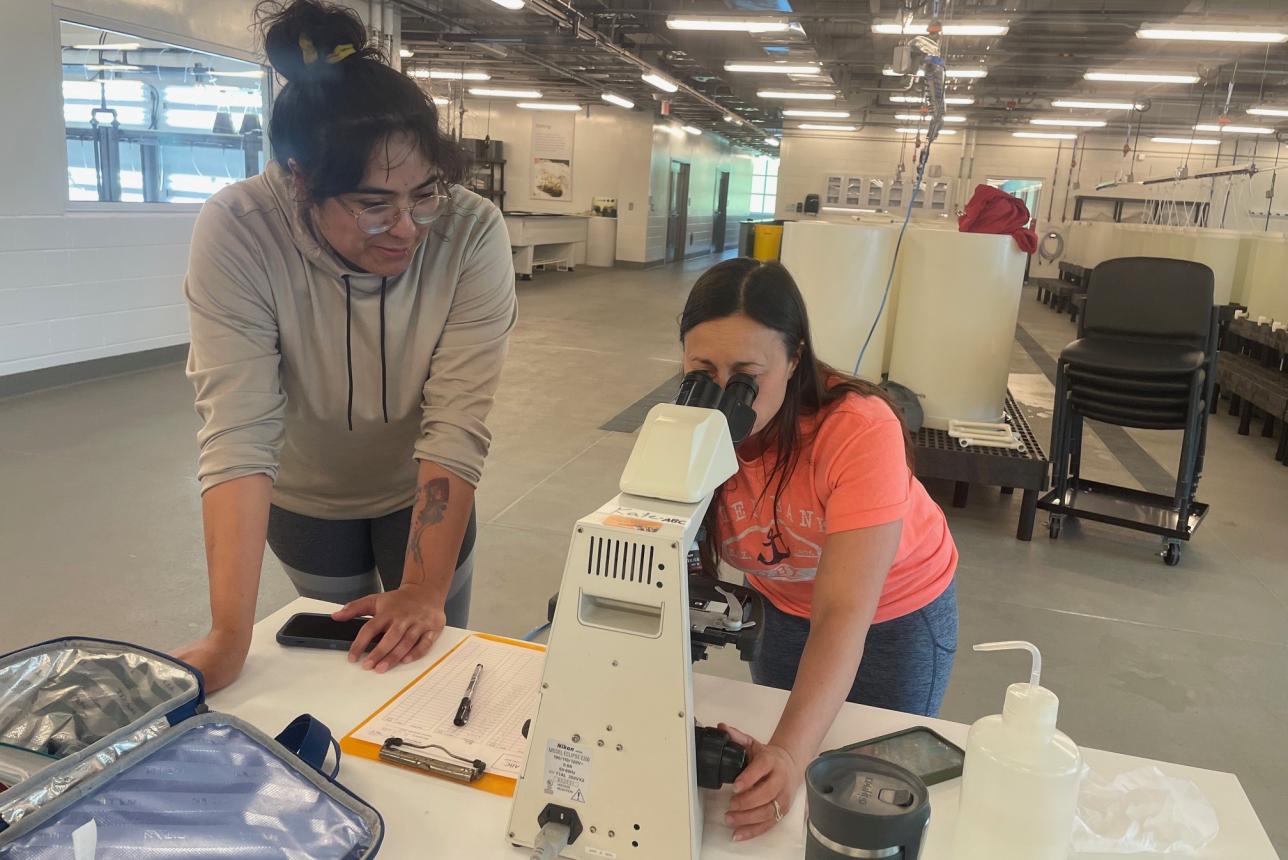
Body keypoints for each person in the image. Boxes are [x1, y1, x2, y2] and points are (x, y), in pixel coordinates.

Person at [175, 0, 516, 693]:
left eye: (424, 194)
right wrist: (228, 637)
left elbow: (457, 420)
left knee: (428, 661)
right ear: (301, 181)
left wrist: (422, 589)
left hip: (420, 488)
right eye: (372, 204)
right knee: (343, 671)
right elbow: (238, 433)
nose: (407, 228)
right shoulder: (239, 229)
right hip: (307, 499)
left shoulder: (471, 230)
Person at [679, 258, 958, 841]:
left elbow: (842, 613)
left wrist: (789, 751)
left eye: (747, 375)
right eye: (704, 369)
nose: (726, 393)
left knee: (865, 786)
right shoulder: (686, 424)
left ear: (795, 358)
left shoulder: (858, 429)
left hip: (892, 614)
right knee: (786, 765)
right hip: (783, 604)